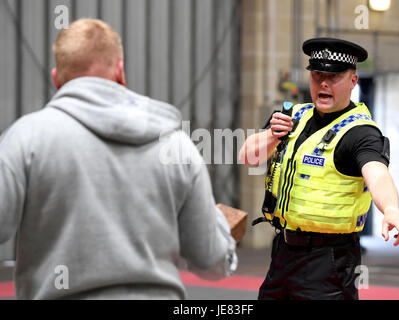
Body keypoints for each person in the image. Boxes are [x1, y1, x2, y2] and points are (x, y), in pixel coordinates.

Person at [0, 19, 238, 299]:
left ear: (57, 79)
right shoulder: (176, 144)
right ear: (121, 72)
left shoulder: (26, 138)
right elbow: (211, 261)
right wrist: (220, 225)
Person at [238, 37, 399, 300]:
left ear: (353, 82)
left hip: (330, 260)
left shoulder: (360, 132)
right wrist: (273, 135)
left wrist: (391, 210)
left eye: (334, 77)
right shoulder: (295, 115)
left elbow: (377, 173)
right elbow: (247, 157)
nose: (324, 83)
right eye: (318, 75)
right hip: (284, 252)